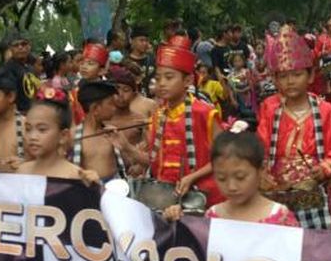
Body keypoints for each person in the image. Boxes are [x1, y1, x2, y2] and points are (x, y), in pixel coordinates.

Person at [258, 25, 331, 229]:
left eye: (297, 74)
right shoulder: (270, 107)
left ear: (310, 76)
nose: (290, 81)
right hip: (277, 192)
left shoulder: (326, 110)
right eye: (282, 76)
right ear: (274, 79)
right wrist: (261, 173)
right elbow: (260, 147)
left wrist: (325, 169)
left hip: (315, 192)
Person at [142, 35, 224, 205]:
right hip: (165, 197)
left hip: (202, 197)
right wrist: (124, 145)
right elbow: (152, 160)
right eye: (158, 78)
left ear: (187, 80)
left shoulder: (205, 112)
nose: (162, 83)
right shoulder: (158, 116)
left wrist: (193, 176)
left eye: (169, 77)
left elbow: (224, 156)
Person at [164, 126, 299, 226]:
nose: (231, 186)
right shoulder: (213, 216)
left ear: (261, 170)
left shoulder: (280, 216)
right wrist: (177, 221)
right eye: (222, 178)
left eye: (240, 177)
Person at [16, 87, 99, 186]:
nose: (32, 136)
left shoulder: (75, 177)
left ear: (63, 136)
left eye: (42, 129)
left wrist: (95, 186)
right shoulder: (22, 171)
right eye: (28, 129)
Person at [72, 81, 141, 181]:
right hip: (88, 192)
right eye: (111, 104)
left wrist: (133, 160)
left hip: (115, 188)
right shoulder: (74, 137)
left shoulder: (112, 133)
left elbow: (124, 163)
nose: (115, 108)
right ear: (95, 108)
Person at [105, 64, 157, 146]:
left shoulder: (140, 121)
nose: (120, 94)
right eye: (116, 88)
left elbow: (149, 149)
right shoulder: (101, 118)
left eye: (126, 90)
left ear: (133, 94)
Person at [71, 42, 110, 126]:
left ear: (101, 71)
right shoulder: (76, 89)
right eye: (82, 63)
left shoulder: (107, 90)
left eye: (90, 64)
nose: (84, 67)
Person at [1, 32, 37, 112]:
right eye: (16, 45)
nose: (20, 47)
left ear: (29, 47)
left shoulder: (30, 68)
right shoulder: (7, 69)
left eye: (24, 44)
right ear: (11, 48)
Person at [228, 52, 256, 126]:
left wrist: (242, 90)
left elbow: (251, 85)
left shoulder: (246, 72)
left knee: (249, 112)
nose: (237, 63)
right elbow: (230, 88)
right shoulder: (231, 75)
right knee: (240, 114)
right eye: (235, 61)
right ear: (232, 63)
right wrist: (232, 100)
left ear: (243, 62)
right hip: (237, 97)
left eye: (239, 60)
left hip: (247, 96)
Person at [127, 25, 155, 95]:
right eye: (141, 40)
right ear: (132, 41)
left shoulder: (153, 60)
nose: (145, 43)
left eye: (146, 40)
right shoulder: (125, 62)